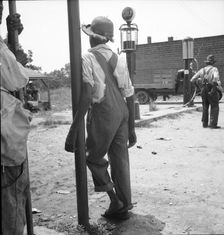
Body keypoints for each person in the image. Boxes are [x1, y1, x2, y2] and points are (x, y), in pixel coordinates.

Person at [65, 16, 137, 220]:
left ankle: (115, 200)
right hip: (122, 112)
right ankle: (125, 204)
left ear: (92, 38)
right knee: (120, 159)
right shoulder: (119, 57)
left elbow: (87, 95)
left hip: (103, 112)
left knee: (94, 158)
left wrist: (73, 131)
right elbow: (129, 94)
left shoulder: (86, 58)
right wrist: (131, 128)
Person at [1, 1, 32, 234]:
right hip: (6, 149)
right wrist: (15, 54)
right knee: (11, 202)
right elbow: (16, 79)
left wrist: (11, 40)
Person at [190, 55, 223, 128]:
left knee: (205, 106)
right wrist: (214, 89)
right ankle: (213, 124)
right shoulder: (214, 69)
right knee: (214, 106)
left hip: (203, 89)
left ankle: (204, 124)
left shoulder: (202, 70)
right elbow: (215, 78)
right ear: (213, 63)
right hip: (212, 88)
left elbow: (192, 79)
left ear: (207, 63)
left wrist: (199, 87)